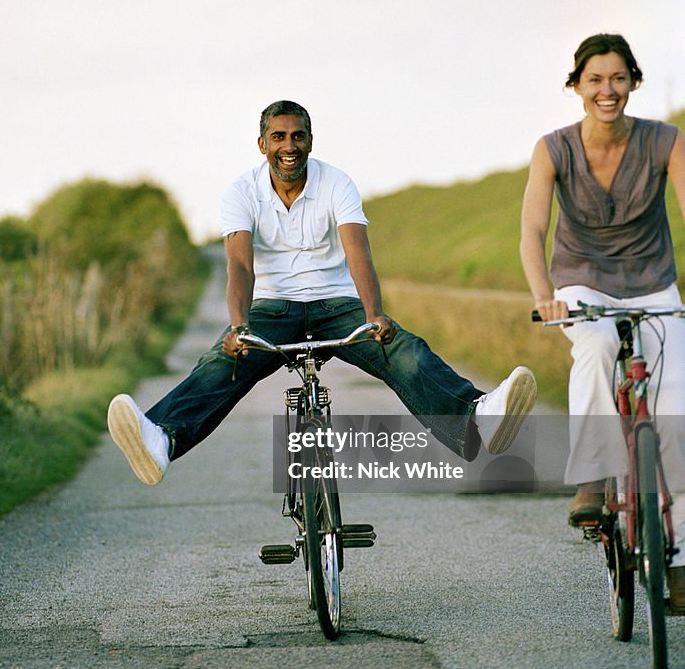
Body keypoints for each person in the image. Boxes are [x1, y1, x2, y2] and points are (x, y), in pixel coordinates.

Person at [108, 99, 537, 490]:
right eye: (278, 137)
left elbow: (358, 254)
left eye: (298, 136)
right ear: (262, 144)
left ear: (311, 141)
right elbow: (239, 266)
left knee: (402, 348)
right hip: (271, 310)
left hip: (337, 305)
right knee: (224, 361)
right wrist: (240, 327)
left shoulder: (337, 183)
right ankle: (162, 438)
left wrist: (375, 315)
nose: (288, 146)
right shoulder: (241, 192)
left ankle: (477, 415)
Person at [520, 33, 685, 613]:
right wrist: (546, 296)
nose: (607, 90)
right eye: (595, 79)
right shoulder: (553, 149)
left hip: (653, 281)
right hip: (581, 282)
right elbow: (533, 232)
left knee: (675, 401)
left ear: (633, 82)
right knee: (591, 349)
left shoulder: (666, 141)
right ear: (577, 87)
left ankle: (681, 556)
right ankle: (592, 477)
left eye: (617, 78)